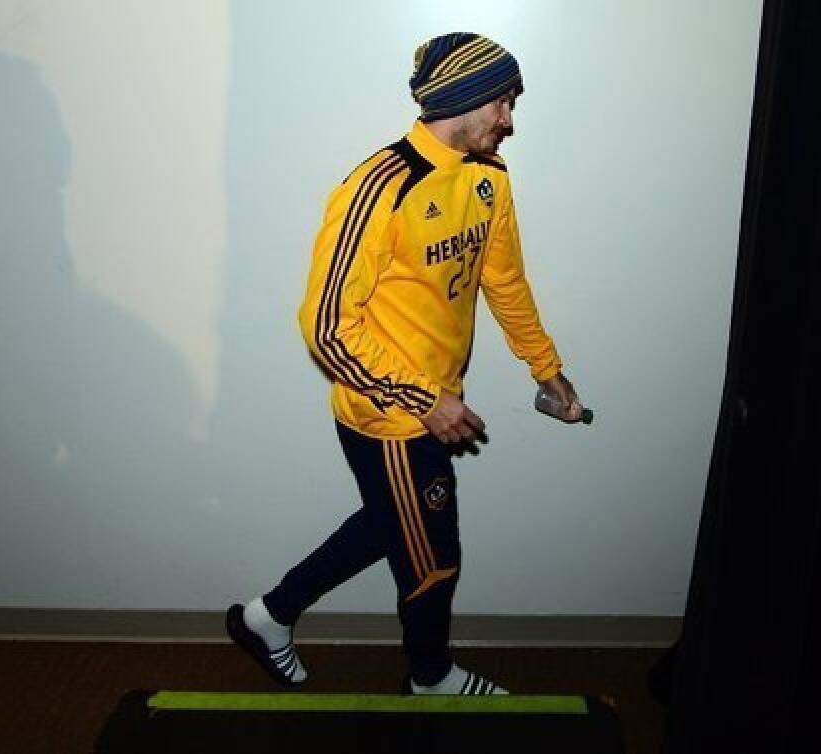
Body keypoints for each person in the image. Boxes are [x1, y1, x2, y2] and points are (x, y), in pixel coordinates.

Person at [226, 32, 583, 696]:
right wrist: (424, 399)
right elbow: (327, 329)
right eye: (502, 103)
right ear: (464, 99)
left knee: (389, 526)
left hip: (429, 404)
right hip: (387, 416)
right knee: (433, 556)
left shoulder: (488, 178)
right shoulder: (378, 188)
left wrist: (546, 368)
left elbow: (503, 284)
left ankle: (265, 617)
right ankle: (431, 675)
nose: (510, 120)